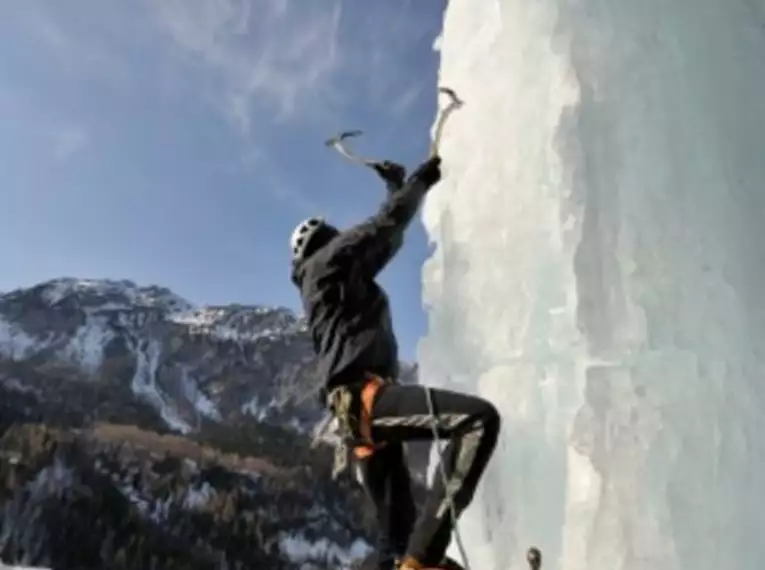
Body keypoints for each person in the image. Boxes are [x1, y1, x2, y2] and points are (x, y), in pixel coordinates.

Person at [289, 155, 500, 570]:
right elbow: (383, 230)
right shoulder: (328, 262)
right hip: (364, 400)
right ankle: (422, 563)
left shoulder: (328, 283)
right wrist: (416, 185)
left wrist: (394, 192)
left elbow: (380, 237)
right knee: (477, 422)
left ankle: (419, 560)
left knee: (396, 543)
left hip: (357, 417)